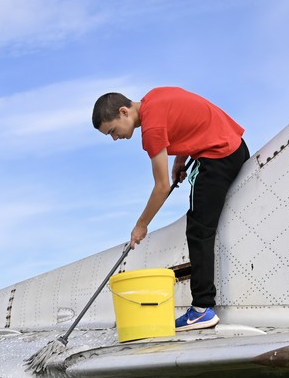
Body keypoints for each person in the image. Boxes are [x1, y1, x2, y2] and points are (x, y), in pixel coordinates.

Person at [92, 87, 249, 331]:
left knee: (198, 230)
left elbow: (162, 186)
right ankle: (202, 307)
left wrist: (141, 225)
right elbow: (188, 123)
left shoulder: (150, 131)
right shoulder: (154, 98)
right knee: (201, 224)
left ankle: (201, 310)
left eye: (113, 131)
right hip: (233, 146)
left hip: (217, 157)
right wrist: (179, 160)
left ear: (124, 111)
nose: (115, 138)